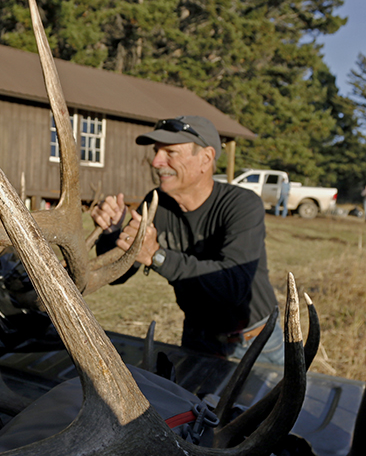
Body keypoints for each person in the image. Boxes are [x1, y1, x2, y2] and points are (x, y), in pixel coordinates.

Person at [91, 115, 283, 365]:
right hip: (197, 338)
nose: (157, 161)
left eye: (170, 152)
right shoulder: (157, 202)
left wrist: (156, 256)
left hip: (255, 345)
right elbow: (120, 274)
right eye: (156, 151)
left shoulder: (242, 205)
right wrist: (113, 234)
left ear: (205, 159)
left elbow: (232, 287)